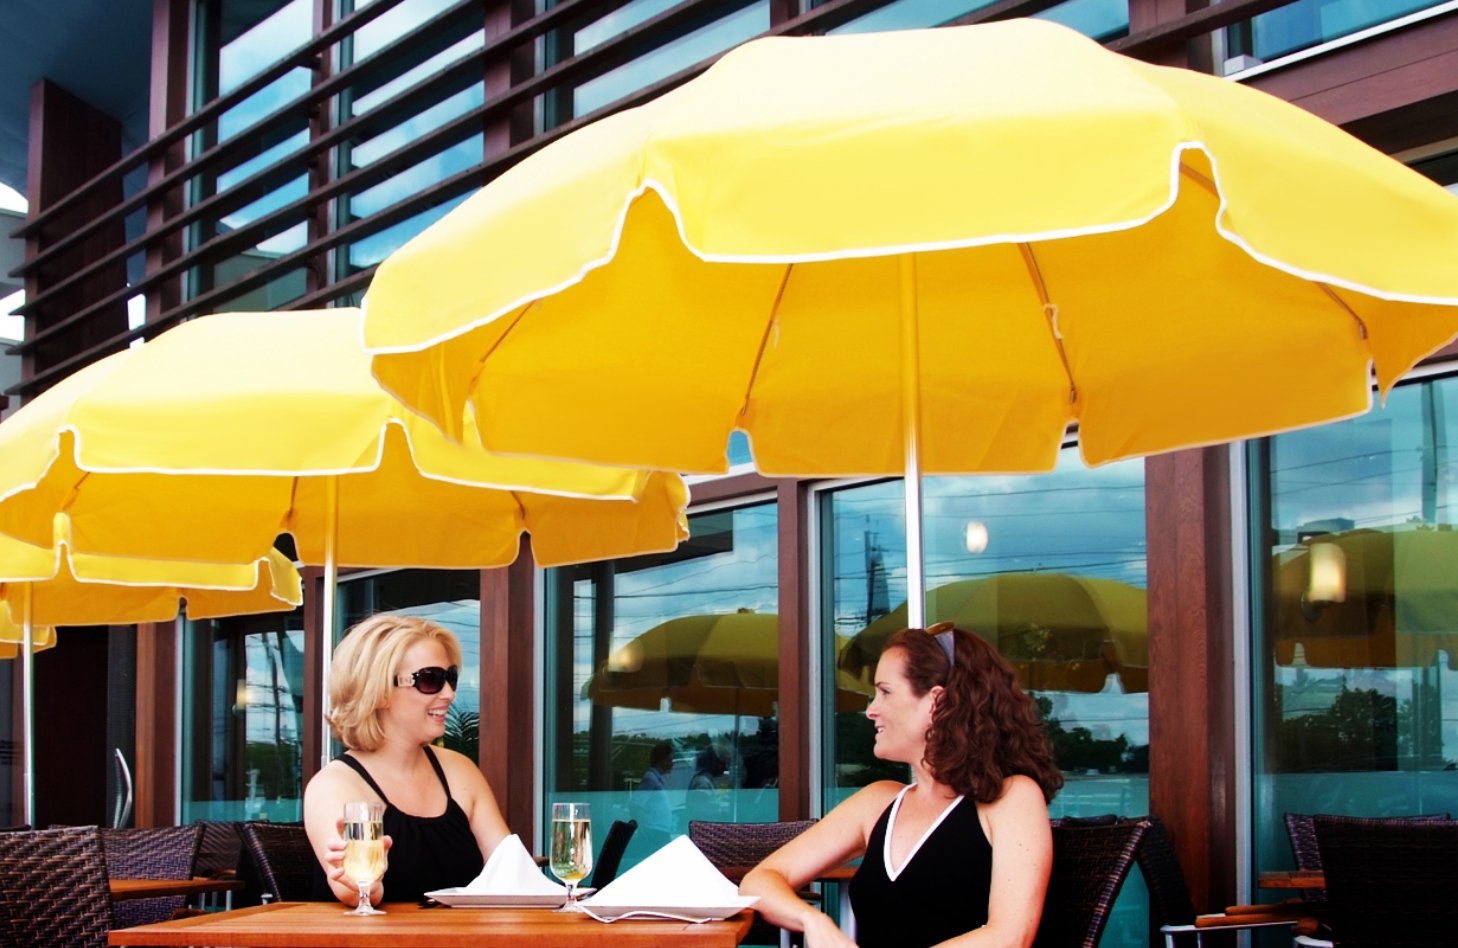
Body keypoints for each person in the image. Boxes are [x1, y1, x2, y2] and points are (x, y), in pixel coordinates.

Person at [742, 622, 1063, 948]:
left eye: (885, 691)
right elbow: (759, 881)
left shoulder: (1012, 797)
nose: (871, 710)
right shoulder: (878, 802)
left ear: (935, 702)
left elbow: (1010, 936)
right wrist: (814, 922)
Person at [303, 614, 510, 906]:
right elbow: (355, 893)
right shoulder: (333, 785)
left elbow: (509, 874)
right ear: (378, 692)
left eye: (449, 677)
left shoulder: (459, 771)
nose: (449, 693)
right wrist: (364, 884)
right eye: (430, 679)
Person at [630, 740, 676, 852]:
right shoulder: (650, 779)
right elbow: (636, 804)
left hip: (660, 831)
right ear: (659, 761)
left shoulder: (658, 778)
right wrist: (643, 829)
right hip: (654, 833)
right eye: (668, 760)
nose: (672, 764)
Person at [686, 744, 728, 823]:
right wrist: (720, 812)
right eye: (722, 764)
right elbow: (699, 811)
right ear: (713, 762)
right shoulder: (703, 782)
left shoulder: (707, 779)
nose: (725, 768)